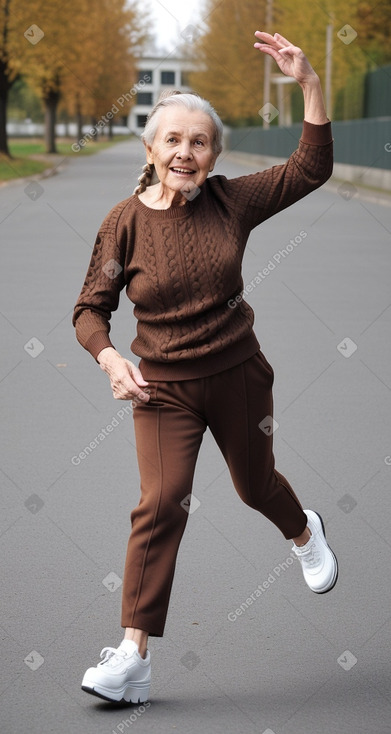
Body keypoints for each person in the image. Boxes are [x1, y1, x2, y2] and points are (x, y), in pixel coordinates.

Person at [73, 31, 338, 705]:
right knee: (159, 505)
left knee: (253, 487)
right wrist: (107, 357)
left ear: (212, 154)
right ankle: (132, 656)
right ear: (151, 149)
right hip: (162, 390)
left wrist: (307, 82)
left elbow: (308, 170)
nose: (185, 152)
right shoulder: (123, 224)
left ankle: (303, 531)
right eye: (172, 140)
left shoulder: (231, 202)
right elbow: (88, 310)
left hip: (239, 375)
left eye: (198, 142)